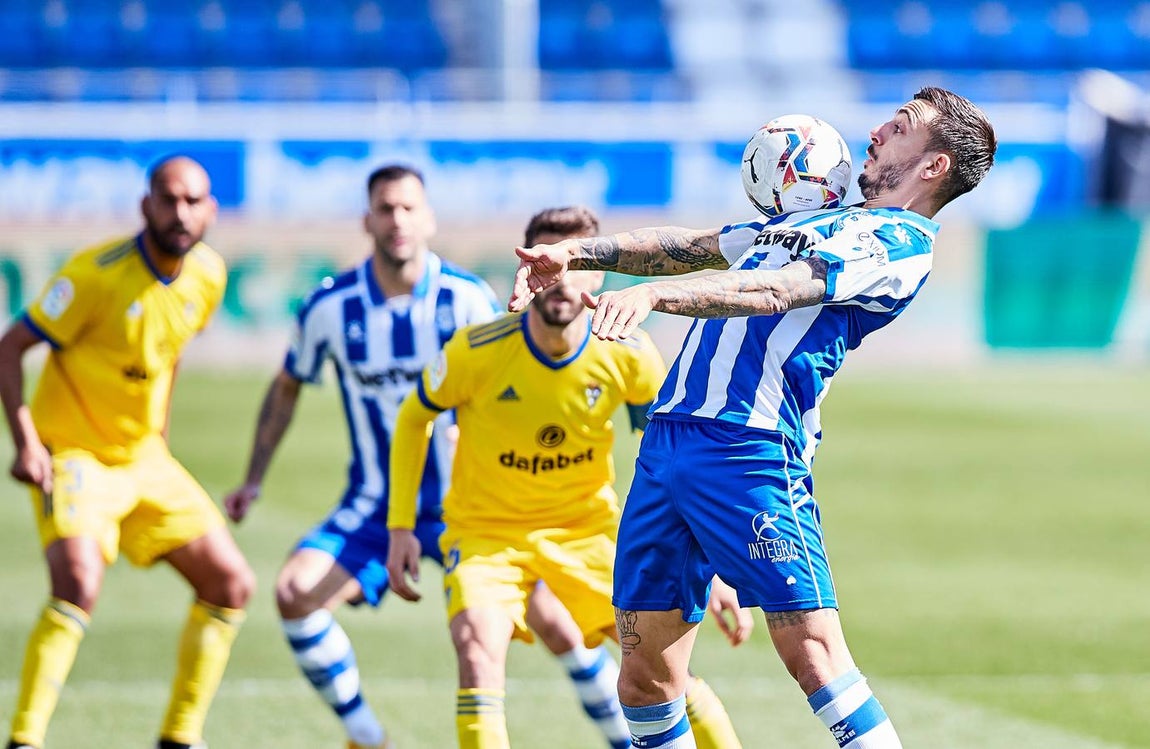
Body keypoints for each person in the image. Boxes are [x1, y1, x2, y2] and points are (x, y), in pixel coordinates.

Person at [507, 87, 998, 748]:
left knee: (814, 655)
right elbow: (697, 245)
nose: (878, 131)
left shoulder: (897, 242)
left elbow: (774, 290)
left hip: (750, 450)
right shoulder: (820, 214)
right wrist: (577, 253)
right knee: (644, 677)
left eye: (901, 126)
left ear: (934, 166)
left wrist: (654, 296)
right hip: (668, 443)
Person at [222, 170, 645, 749]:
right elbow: (289, 383)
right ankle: (367, 737)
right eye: (385, 208)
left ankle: (627, 739)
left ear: (428, 219)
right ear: (367, 220)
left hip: (480, 507)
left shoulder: (467, 299)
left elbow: (520, 372)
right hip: (378, 506)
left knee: (562, 627)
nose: (397, 220)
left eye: (408, 208)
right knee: (295, 592)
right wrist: (252, 479)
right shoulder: (329, 306)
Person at [387, 206, 749, 749]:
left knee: (663, 670)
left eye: (575, 264)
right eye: (546, 263)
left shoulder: (628, 354)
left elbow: (676, 459)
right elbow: (414, 417)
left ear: (599, 273)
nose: (560, 279)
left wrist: (709, 562)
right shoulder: (474, 351)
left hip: (586, 534)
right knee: (477, 651)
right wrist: (400, 527)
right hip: (487, 535)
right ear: (526, 271)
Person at [0, 156, 256, 749]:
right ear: (146, 206)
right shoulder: (95, 275)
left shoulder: (209, 275)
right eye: (169, 199)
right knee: (78, 580)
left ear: (212, 210)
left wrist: (158, 434)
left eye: (193, 201)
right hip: (76, 455)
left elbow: (171, 350)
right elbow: (9, 348)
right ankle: (25, 739)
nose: (181, 213)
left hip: (144, 458)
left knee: (231, 583)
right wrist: (28, 443)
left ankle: (180, 737)